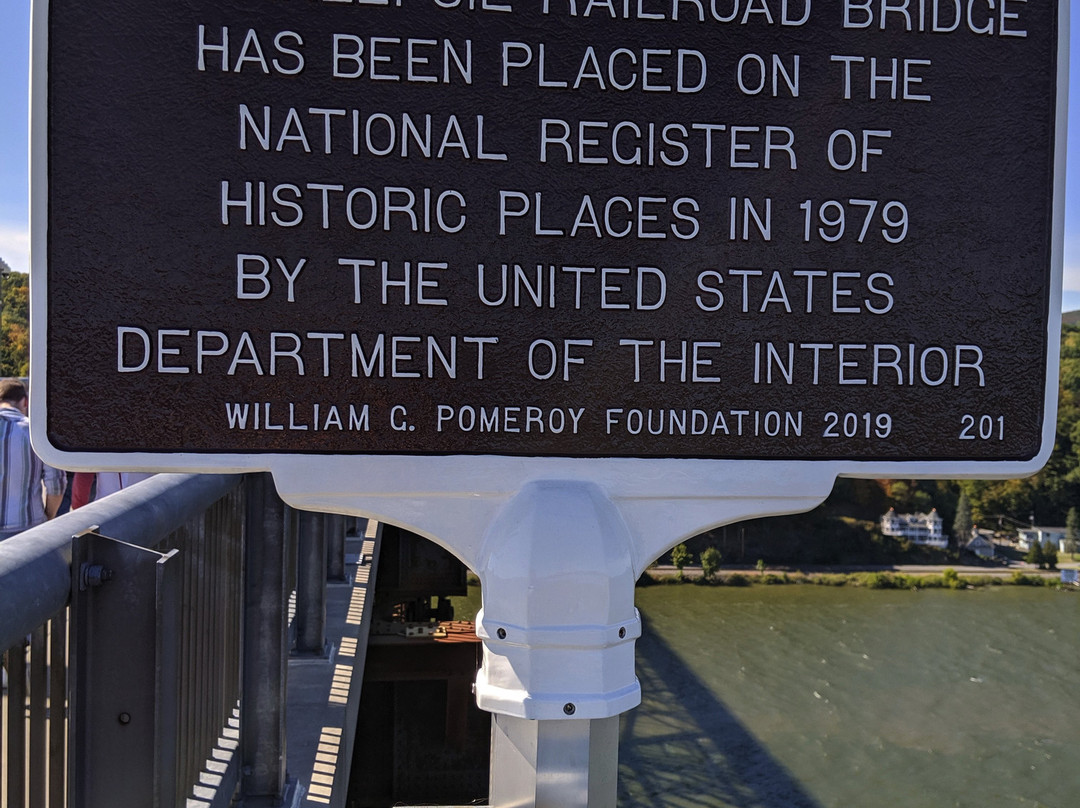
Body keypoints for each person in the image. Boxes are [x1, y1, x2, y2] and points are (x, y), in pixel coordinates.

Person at [0, 379, 66, 541]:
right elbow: (56, 485)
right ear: (25, 401)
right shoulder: (37, 433)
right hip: (27, 528)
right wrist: (48, 517)